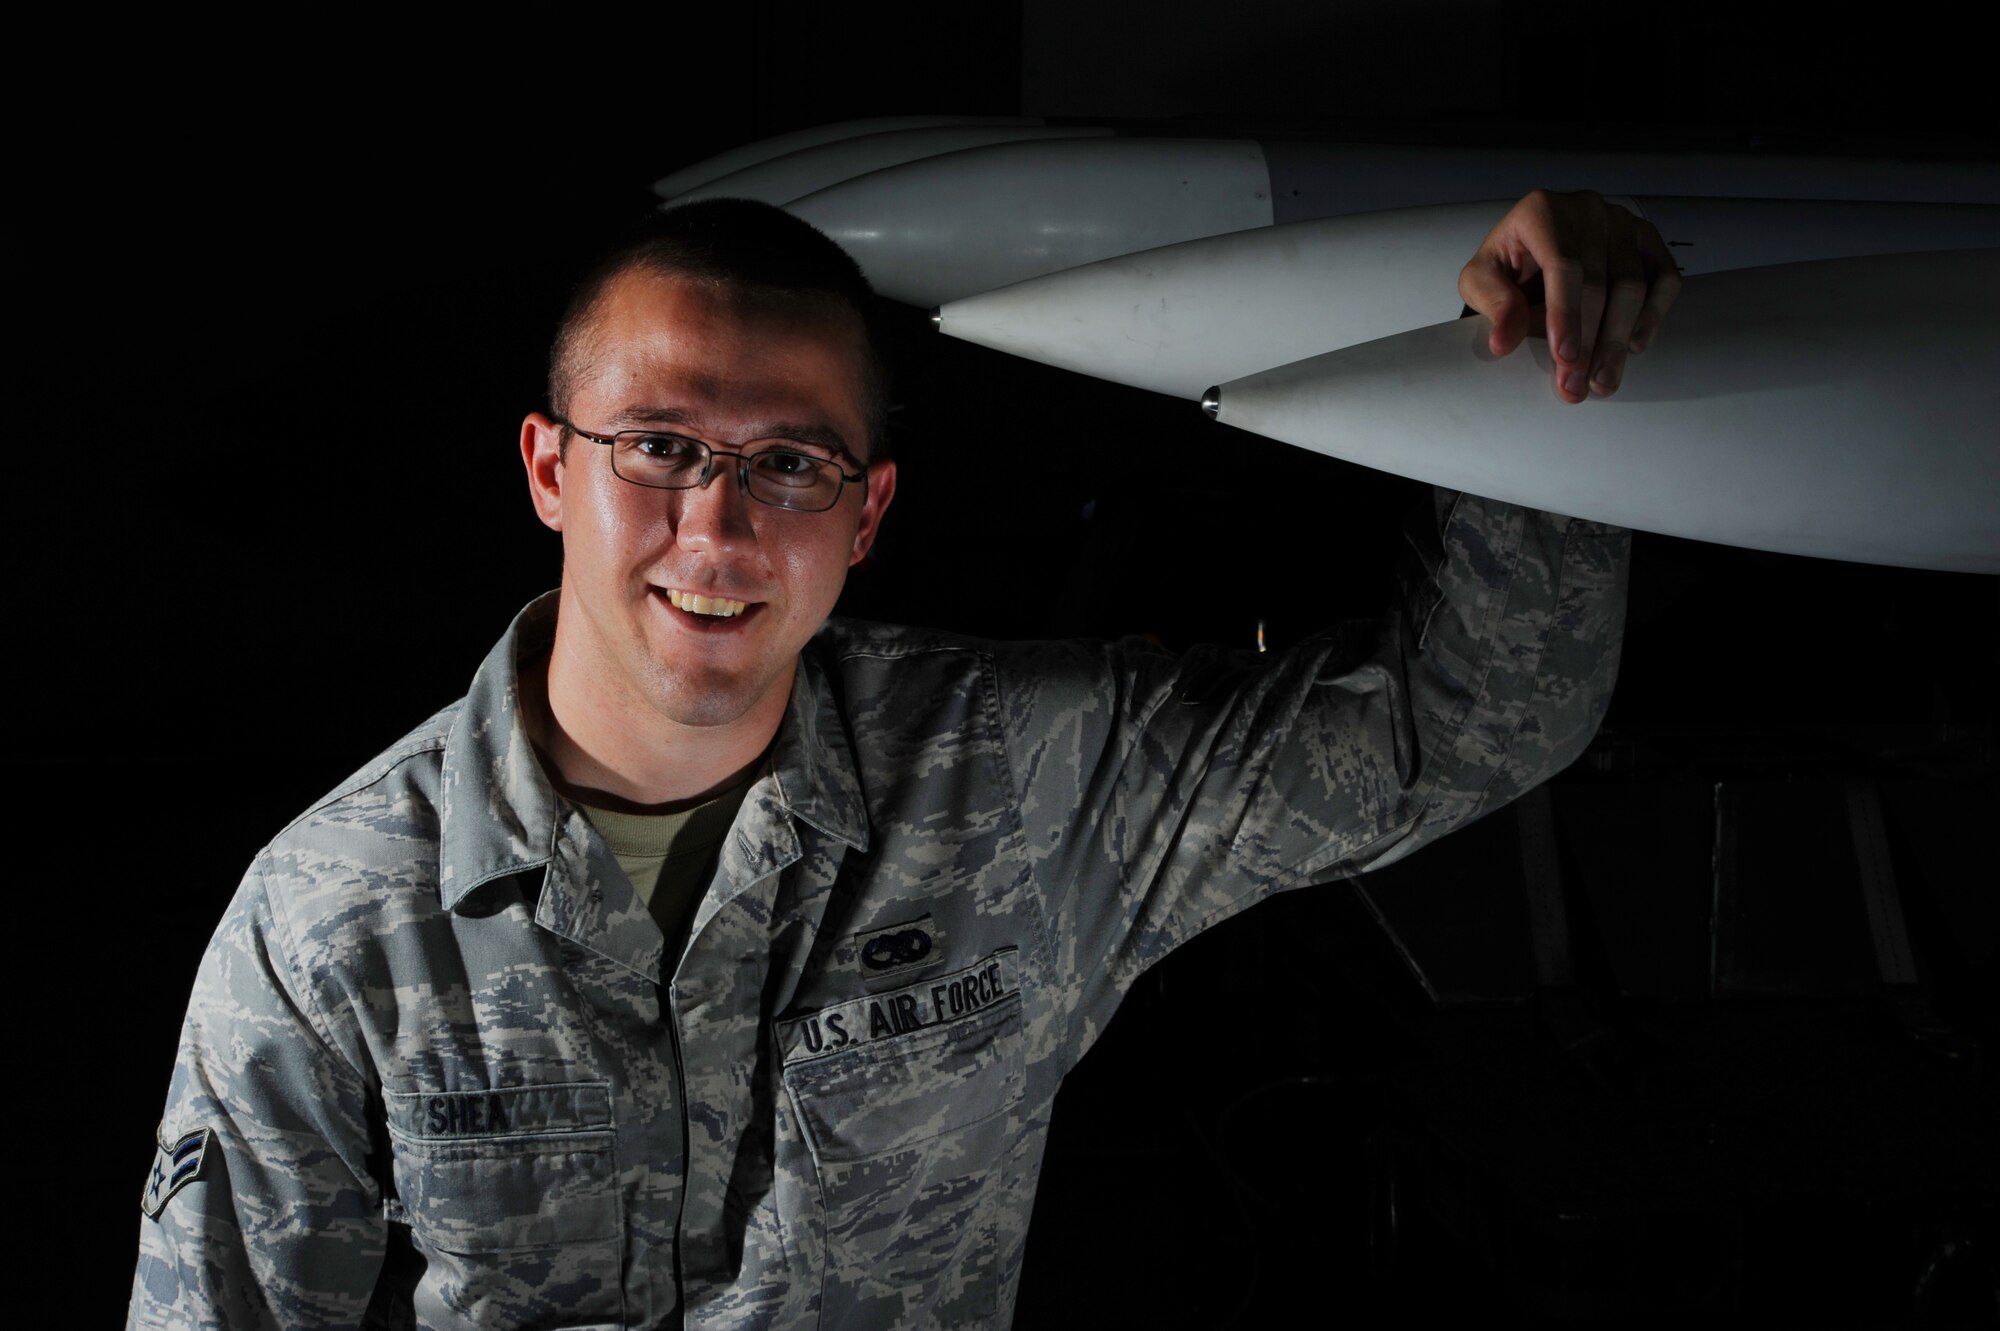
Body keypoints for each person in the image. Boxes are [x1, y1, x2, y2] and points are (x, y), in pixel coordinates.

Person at [129, 189, 1673, 1329]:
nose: (719, 528)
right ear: (551, 469)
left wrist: (1539, 387)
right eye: (659, 444)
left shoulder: (1033, 779)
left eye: (790, 463)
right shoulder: (334, 914)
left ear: (866, 517)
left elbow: (1468, 725)